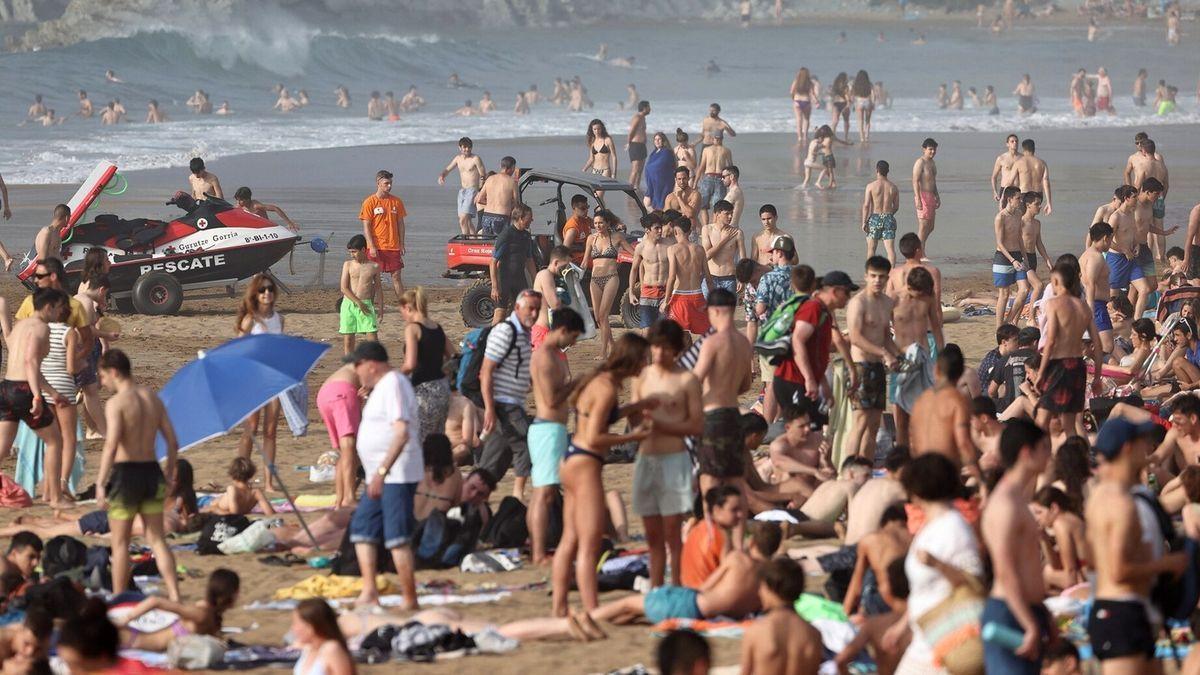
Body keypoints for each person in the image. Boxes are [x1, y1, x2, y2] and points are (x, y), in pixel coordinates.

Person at [551, 334, 654, 614]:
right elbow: (596, 437)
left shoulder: (598, 380)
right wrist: (634, 437)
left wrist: (631, 409)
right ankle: (592, 608)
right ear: (631, 360)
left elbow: (597, 418)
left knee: (570, 540)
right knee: (589, 543)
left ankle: (559, 606)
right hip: (586, 463)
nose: (646, 365)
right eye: (643, 359)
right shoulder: (607, 388)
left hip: (571, 459)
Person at [1087, 417, 1187, 673]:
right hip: (1122, 615)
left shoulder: (1099, 496)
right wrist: (1169, 563)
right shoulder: (1122, 504)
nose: (1148, 446)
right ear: (1128, 449)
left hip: (1121, 612)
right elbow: (1119, 571)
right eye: (1142, 441)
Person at [94, 349, 181, 601]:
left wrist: (100, 483)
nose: (102, 382)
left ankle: (120, 598)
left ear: (113, 372)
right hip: (152, 471)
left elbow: (111, 445)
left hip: (126, 474)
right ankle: (175, 594)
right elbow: (172, 442)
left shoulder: (116, 403)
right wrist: (170, 472)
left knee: (120, 543)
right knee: (157, 540)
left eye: (102, 376)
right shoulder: (152, 398)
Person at [345, 342, 422, 611]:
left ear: (371, 364)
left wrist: (381, 472)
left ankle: (410, 598)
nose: (356, 371)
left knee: (396, 536)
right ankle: (369, 590)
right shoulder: (382, 388)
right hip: (380, 475)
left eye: (358, 365)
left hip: (395, 474)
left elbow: (401, 432)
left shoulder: (394, 384)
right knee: (363, 529)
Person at [892, 453, 985, 673]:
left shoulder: (953, 528)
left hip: (948, 638)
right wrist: (902, 626)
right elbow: (922, 588)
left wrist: (937, 564)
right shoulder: (931, 526)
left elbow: (974, 582)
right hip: (925, 636)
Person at [632, 319, 703, 587]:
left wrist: (661, 424)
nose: (659, 354)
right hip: (646, 459)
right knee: (652, 535)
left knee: (673, 533)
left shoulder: (687, 379)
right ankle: (657, 586)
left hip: (675, 460)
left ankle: (676, 587)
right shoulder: (642, 376)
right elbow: (635, 421)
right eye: (655, 348)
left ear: (676, 349)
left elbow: (696, 425)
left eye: (665, 348)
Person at [981, 420, 1052, 672]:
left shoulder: (1017, 498)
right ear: (1026, 452)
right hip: (1010, 613)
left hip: (1025, 611)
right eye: (1044, 447)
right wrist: (1029, 623)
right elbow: (1005, 570)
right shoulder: (1005, 505)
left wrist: (1041, 614)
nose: (1049, 454)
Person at [527, 308, 585, 565]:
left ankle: (538, 548)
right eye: (572, 337)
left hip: (553, 429)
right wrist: (575, 384)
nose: (573, 343)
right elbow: (552, 399)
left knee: (545, 492)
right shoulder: (544, 357)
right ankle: (538, 553)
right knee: (544, 493)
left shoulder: (553, 355)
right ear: (562, 331)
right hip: (547, 429)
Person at [0, 289, 68, 506]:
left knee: (2, 447)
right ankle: (55, 497)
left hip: (6, 388)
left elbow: (24, 363)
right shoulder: (41, 328)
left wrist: (53, 393)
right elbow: (30, 362)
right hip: (24, 391)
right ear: (48, 306)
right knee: (55, 441)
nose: (60, 313)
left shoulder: (22, 325)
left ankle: (53, 495)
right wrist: (38, 396)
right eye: (59, 308)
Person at [693, 288, 754, 510]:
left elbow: (695, 380)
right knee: (736, 477)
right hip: (734, 416)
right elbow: (746, 385)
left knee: (709, 477)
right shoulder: (744, 342)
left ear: (716, 311)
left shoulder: (713, 342)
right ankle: (738, 532)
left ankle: (711, 527)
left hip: (713, 417)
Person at [478, 289, 540, 497]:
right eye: (530, 308)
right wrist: (489, 409)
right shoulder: (506, 331)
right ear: (517, 308)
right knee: (526, 444)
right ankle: (518, 496)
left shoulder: (524, 333)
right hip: (503, 404)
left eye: (537, 310)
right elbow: (486, 372)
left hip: (514, 402)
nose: (534, 313)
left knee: (496, 461)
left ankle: (474, 495)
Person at [1037, 258, 1103, 435]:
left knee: (1042, 420)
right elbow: (1098, 344)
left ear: (1057, 282)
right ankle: (1077, 459)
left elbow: (1050, 341)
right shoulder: (1084, 307)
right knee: (1070, 424)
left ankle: (1043, 460)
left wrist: (1041, 372)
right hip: (1078, 366)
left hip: (1059, 365)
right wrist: (1097, 377)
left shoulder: (1053, 304)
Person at [774, 271, 857, 412]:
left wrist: (823, 385)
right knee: (801, 430)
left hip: (808, 381)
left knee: (814, 431)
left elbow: (815, 354)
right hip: (793, 380)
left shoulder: (825, 313)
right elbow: (798, 341)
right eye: (847, 293)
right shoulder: (813, 308)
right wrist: (810, 379)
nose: (849, 298)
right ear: (835, 291)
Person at [846, 257, 900, 461]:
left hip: (877, 367)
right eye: (873, 276)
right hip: (860, 366)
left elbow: (886, 336)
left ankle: (865, 466)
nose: (877, 280)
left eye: (881, 277)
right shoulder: (858, 302)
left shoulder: (887, 303)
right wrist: (884, 353)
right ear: (866, 276)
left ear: (887, 278)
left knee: (875, 424)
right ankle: (850, 468)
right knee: (860, 421)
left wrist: (899, 354)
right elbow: (856, 337)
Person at [235, 274, 285, 490]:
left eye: (270, 289)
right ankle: (241, 479)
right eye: (263, 290)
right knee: (251, 428)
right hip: (252, 379)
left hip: (273, 378)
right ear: (255, 293)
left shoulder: (279, 319)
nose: (267, 293)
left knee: (271, 431)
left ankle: (268, 482)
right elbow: (237, 350)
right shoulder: (250, 320)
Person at [114, 569, 240, 651]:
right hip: (134, 641)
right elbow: (155, 601)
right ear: (231, 595)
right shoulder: (202, 614)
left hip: (137, 640)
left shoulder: (209, 612)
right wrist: (125, 619)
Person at [910, 345, 982, 486]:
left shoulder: (921, 400)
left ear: (936, 370)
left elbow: (913, 441)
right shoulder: (956, 401)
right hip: (944, 477)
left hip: (920, 473)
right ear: (961, 371)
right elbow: (963, 443)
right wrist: (981, 478)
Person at [740, 558, 823, 673]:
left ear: (770, 588)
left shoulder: (757, 631)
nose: (759, 592)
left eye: (761, 587)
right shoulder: (813, 634)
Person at [891, 267, 944, 445]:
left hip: (923, 359)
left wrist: (941, 357)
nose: (921, 296)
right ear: (909, 286)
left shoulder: (927, 299)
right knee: (900, 413)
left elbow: (936, 328)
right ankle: (902, 450)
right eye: (918, 292)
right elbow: (882, 329)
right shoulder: (893, 299)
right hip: (900, 360)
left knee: (923, 410)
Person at [399, 288, 453, 442]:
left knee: (419, 441)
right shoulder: (437, 327)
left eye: (401, 312)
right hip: (442, 388)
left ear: (408, 308)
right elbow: (454, 356)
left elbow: (410, 364)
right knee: (436, 441)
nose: (402, 316)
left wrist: (391, 377)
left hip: (422, 391)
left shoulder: (412, 329)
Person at [582, 209, 634, 357]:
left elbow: (633, 253)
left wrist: (644, 257)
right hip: (595, 279)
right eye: (595, 223)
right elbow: (586, 261)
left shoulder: (616, 237)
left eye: (600, 223)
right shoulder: (591, 239)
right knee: (598, 317)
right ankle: (613, 346)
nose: (597, 226)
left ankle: (604, 352)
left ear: (608, 223)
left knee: (603, 315)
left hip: (611, 277)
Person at [843, 504, 910, 617]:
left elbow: (857, 581)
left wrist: (846, 612)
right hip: (911, 597)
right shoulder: (916, 536)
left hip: (884, 598)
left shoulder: (870, 539)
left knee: (870, 576)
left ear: (883, 523)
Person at [681, 485, 745, 588]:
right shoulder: (721, 536)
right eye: (734, 510)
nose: (740, 514)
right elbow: (730, 577)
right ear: (716, 510)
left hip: (688, 592)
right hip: (707, 595)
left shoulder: (697, 528)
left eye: (740, 509)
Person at [316, 363, 361, 509]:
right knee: (349, 447)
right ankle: (348, 498)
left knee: (345, 452)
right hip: (341, 394)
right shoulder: (379, 369)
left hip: (324, 394)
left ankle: (340, 500)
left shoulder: (351, 367)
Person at [358, 169, 407, 301]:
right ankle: (369, 305)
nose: (389, 186)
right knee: (373, 279)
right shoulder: (369, 202)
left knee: (396, 277)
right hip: (375, 247)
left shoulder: (397, 202)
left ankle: (404, 307)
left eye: (391, 183)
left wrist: (402, 244)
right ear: (378, 183)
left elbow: (401, 224)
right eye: (386, 183)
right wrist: (371, 246)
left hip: (393, 246)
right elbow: (366, 226)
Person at [488, 203, 537, 326]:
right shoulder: (506, 234)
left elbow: (529, 260)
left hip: (520, 279)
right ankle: (489, 341)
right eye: (529, 217)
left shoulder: (526, 236)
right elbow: (493, 262)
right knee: (499, 316)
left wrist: (536, 280)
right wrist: (494, 287)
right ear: (520, 218)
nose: (532, 220)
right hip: (504, 279)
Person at [663, 216, 713, 336]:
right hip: (698, 296)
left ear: (675, 231)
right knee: (704, 333)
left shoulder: (673, 249)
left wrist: (666, 300)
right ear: (690, 231)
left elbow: (672, 277)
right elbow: (708, 277)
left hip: (680, 296)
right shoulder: (700, 249)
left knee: (679, 335)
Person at [339, 234, 382, 355]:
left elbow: (378, 288)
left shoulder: (374, 266)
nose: (352, 254)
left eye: (354, 252)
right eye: (350, 252)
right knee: (348, 339)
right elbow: (344, 287)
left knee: (372, 338)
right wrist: (357, 302)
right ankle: (350, 365)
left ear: (363, 249)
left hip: (366, 304)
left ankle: (376, 363)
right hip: (349, 304)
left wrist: (381, 308)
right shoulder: (348, 264)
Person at [629, 214, 671, 332]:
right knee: (646, 331)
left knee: (663, 333)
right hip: (648, 292)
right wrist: (631, 293)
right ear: (647, 230)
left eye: (660, 228)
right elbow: (634, 270)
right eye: (656, 228)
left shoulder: (668, 245)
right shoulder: (641, 247)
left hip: (665, 292)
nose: (660, 231)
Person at [994, 186, 1029, 326]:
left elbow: (1019, 237)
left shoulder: (1019, 214)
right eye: (1018, 198)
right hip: (1003, 257)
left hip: (1017, 255)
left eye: (1020, 198)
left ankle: (1008, 322)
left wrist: (1024, 257)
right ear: (1009, 199)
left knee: (1025, 289)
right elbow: (1000, 243)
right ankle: (998, 328)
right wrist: (1012, 260)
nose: (1020, 201)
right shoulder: (1000, 217)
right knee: (1004, 294)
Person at [439, 137, 486, 236]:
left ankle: (465, 239)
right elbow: (448, 168)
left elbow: (483, 175)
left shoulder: (475, 159)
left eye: (469, 147)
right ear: (460, 148)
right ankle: (474, 240)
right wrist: (442, 175)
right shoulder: (458, 159)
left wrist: (480, 191)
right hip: (462, 192)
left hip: (473, 190)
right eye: (464, 147)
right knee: (466, 221)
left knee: (463, 219)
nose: (467, 149)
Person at [1081, 223, 1115, 357]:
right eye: (1111, 239)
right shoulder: (1095, 257)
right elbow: (1090, 283)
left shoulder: (1086, 254)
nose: (1111, 243)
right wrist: (1091, 308)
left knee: (1094, 344)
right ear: (1105, 238)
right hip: (1095, 305)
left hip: (1093, 303)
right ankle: (1096, 371)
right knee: (1107, 345)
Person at [530, 245, 572, 348]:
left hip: (545, 332)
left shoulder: (550, 276)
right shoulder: (546, 274)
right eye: (565, 265)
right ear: (556, 262)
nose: (566, 269)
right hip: (543, 333)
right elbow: (555, 304)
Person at [701, 200, 744, 296]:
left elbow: (743, 258)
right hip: (710, 278)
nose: (730, 217)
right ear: (717, 214)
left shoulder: (737, 233)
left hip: (729, 278)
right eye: (727, 214)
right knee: (707, 310)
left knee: (727, 310)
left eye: (731, 214)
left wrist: (742, 279)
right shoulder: (707, 230)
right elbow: (707, 255)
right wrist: (724, 240)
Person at [863, 160, 900, 263]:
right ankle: (891, 273)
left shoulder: (870, 186)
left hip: (875, 218)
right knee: (890, 250)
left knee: (871, 249)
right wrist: (888, 215)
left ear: (877, 170)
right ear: (888, 171)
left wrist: (864, 222)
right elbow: (896, 206)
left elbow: (866, 205)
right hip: (888, 217)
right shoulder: (893, 187)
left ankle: (870, 272)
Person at [476, 156, 520, 235]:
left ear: (501, 166)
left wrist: (491, 203)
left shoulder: (490, 179)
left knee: (487, 244)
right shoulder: (512, 182)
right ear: (512, 168)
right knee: (500, 244)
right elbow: (516, 203)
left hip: (487, 216)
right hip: (501, 217)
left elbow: (479, 199)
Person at [695, 136, 733, 227]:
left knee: (712, 206)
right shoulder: (724, 150)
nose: (716, 140)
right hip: (715, 178)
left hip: (714, 178)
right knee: (709, 206)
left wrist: (695, 182)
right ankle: (709, 227)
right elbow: (731, 167)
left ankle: (710, 227)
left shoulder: (709, 150)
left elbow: (701, 166)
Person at [912, 138, 940, 254]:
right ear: (924, 149)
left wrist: (937, 195)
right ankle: (919, 253)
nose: (933, 151)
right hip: (922, 196)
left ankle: (920, 246)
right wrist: (918, 198)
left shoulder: (932, 162)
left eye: (934, 149)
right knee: (923, 227)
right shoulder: (920, 162)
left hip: (931, 196)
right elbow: (915, 180)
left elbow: (933, 181)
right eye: (930, 149)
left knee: (931, 227)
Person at [1012, 139, 1053, 215]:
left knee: (1022, 219)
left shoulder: (1018, 163)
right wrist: (1049, 203)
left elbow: (1010, 182)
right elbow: (1046, 183)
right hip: (1038, 194)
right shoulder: (1042, 163)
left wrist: (1003, 199)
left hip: (1024, 194)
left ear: (1023, 149)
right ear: (1034, 149)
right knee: (1030, 219)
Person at [233, 187, 300, 231]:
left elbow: (275, 208)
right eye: (237, 200)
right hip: (253, 231)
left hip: (266, 229)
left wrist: (289, 223)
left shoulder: (256, 206)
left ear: (247, 199)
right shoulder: (239, 207)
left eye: (241, 200)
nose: (238, 202)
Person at [643, 132, 675, 210]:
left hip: (663, 183)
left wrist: (649, 168)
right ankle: (657, 219)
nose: (657, 141)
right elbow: (649, 166)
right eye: (655, 139)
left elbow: (659, 166)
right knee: (647, 201)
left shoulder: (667, 152)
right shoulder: (654, 152)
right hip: (652, 183)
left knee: (661, 205)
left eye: (659, 139)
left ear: (663, 140)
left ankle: (660, 220)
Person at [627, 101, 650, 191]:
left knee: (640, 170)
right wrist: (629, 143)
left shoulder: (643, 118)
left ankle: (637, 187)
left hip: (641, 146)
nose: (650, 109)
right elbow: (631, 131)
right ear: (644, 108)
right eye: (649, 107)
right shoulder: (637, 117)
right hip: (635, 145)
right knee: (635, 169)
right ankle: (629, 189)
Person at [991, 134, 1021, 205]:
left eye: (1016, 141)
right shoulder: (1001, 158)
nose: (1015, 143)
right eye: (1012, 141)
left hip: (1018, 190)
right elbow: (994, 177)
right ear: (1007, 144)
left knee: (1019, 214)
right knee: (1004, 214)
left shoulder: (1022, 158)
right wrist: (995, 192)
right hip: (1005, 189)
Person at [790, 67, 815, 145]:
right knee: (806, 119)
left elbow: (791, 91)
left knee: (798, 120)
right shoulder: (810, 82)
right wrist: (816, 101)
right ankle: (805, 136)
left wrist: (793, 98)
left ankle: (799, 137)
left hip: (797, 101)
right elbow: (812, 93)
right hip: (806, 101)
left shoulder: (796, 81)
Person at [852, 70, 875, 142]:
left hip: (859, 102)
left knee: (860, 121)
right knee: (867, 121)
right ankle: (867, 136)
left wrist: (853, 103)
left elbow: (853, 95)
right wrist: (873, 103)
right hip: (868, 101)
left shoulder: (855, 84)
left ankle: (862, 138)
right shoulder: (869, 84)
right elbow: (873, 94)